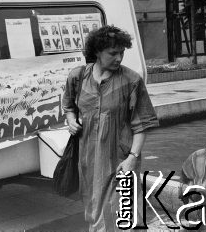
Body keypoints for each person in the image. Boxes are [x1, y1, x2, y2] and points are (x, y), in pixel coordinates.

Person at [63, 25, 158, 232]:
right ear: (97, 51)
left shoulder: (131, 81)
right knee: (95, 210)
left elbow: (141, 124)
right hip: (89, 159)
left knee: (124, 211)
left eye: (122, 53)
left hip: (120, 159)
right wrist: (71, 120)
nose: (119, 58)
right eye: (113, 53)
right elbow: (69, 106)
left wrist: (133, 157)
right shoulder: (78, 77)